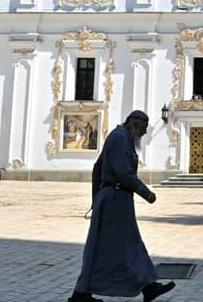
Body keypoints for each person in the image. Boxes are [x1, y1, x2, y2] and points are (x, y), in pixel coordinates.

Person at [68, 111, 175, 302]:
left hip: (116, 199)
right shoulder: (120, 139)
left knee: (130, 243)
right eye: (143, 129)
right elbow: (123, 173)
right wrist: (146, 193)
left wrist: (97, 198)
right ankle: (80, 294)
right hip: (114, 199)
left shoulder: (121, 137)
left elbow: (98, 168)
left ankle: (149, 286)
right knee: (104, 247)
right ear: (134, 125)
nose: (144, 134)